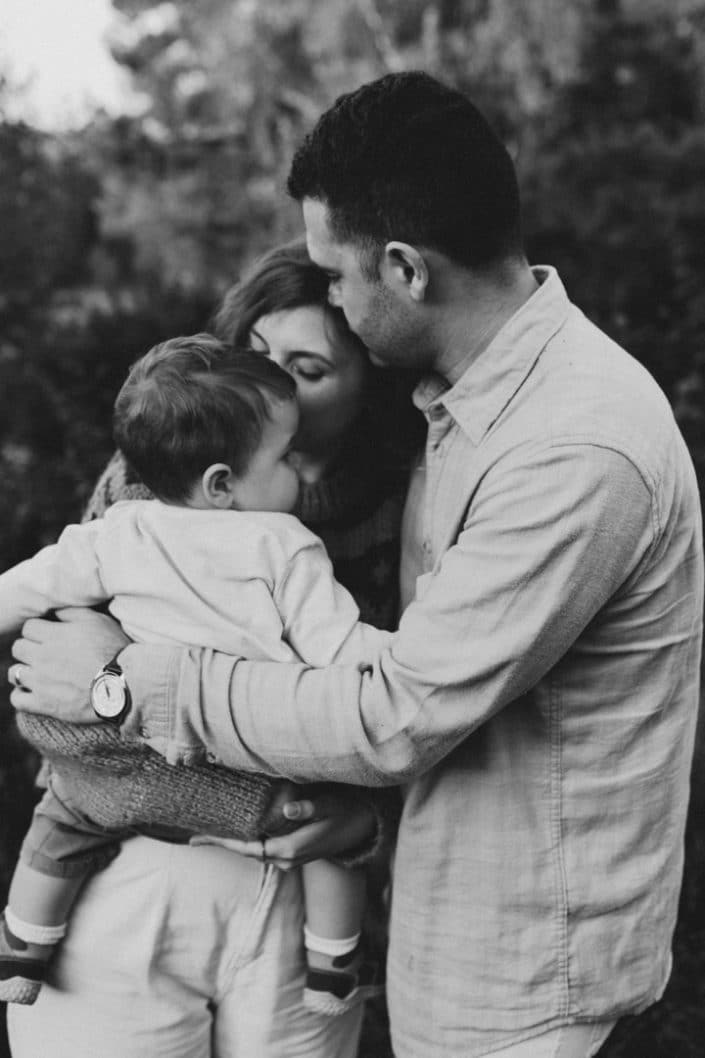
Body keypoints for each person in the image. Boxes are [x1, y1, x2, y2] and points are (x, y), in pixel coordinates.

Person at [10, 71, 703, 1058]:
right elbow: (49, 697)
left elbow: (394, 711)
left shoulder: (568, 445)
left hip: (522, 982)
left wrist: (131, 684)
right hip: (437, 941)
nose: (319, 290)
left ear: (406, 269)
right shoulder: (460, 409)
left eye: (336, 275)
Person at [6, 240, 420, 1058]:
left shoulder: (402, 506)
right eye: (256, 354)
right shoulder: (147, 486)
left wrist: (360, 823)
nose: (266, 384)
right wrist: (258, 797)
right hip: (132, 880)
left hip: (302, 907)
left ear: (366, 385)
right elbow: (58, 710)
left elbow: (418, 723)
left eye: (305, 369)